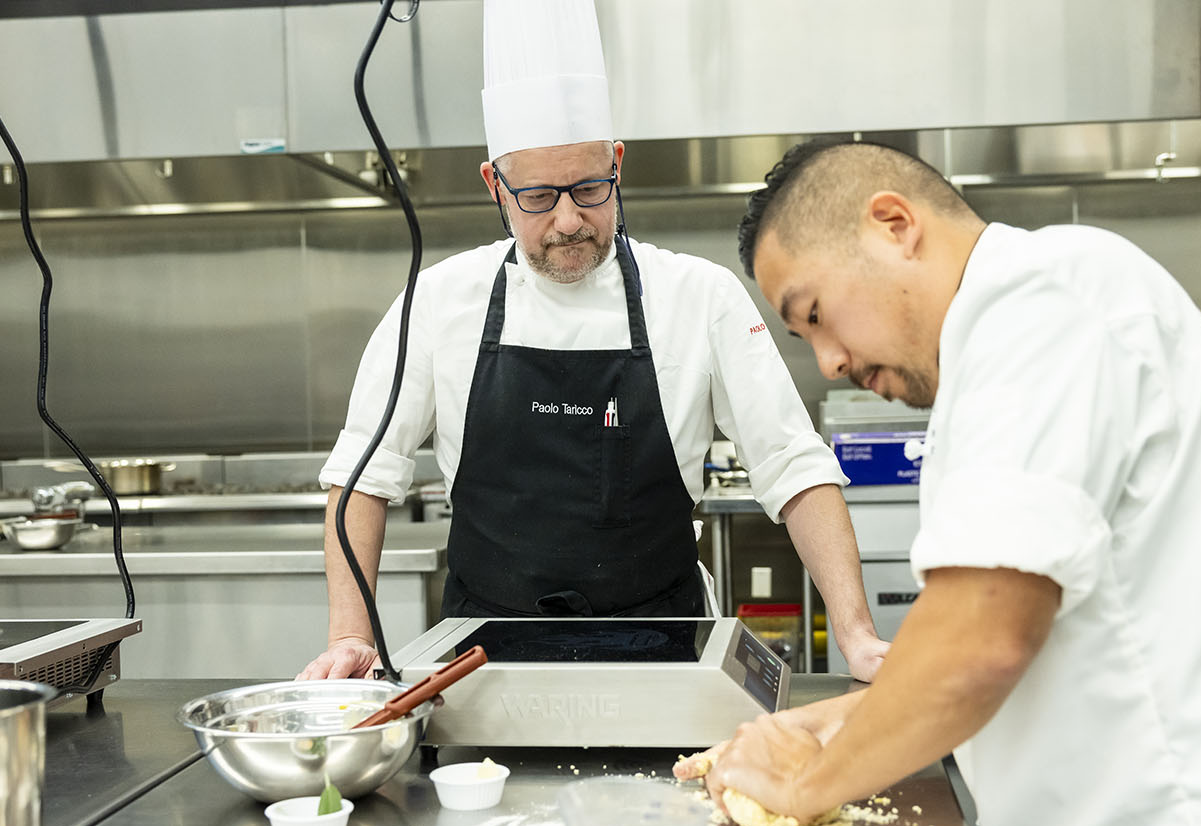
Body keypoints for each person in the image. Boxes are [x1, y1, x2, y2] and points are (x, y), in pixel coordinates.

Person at [682, 140, 1201, 826]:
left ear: (894, 224)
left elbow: (980, 644)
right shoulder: (1009, 335)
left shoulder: (1039, 300)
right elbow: (1023, 651)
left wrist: (801, 784)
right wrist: (819, 725)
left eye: (817, 315)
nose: (827, 362)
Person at [297, 0, 888, 681]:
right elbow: (362, 479)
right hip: (482, 663)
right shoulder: (438, 302)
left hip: (666, 653)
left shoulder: (699, 295)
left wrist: (857, 632)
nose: (571, 220)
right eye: (540, 197)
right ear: (496, 185)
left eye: (589, 187)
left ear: (618, 164)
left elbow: (794, 466)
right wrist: (349, 633)